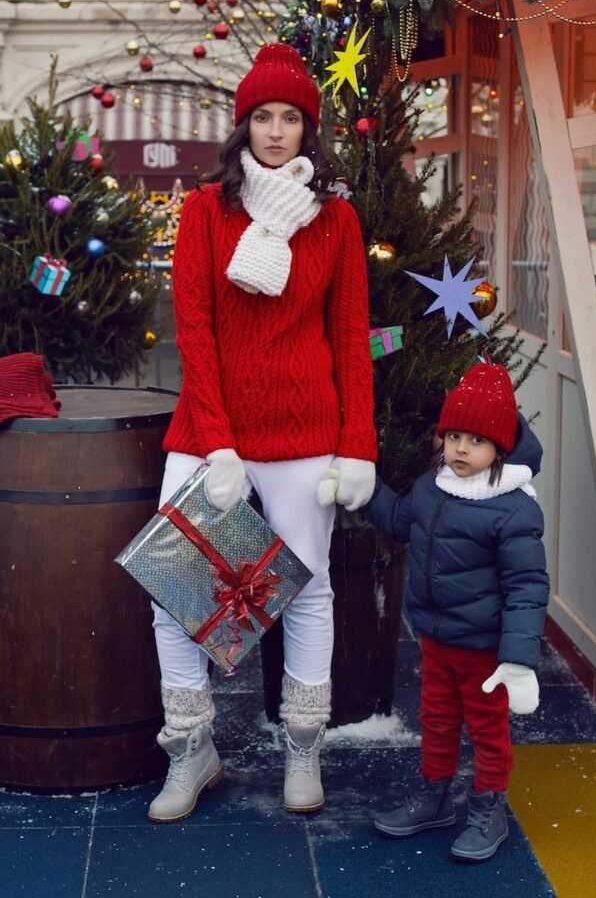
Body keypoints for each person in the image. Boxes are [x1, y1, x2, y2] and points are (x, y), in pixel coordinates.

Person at [148, 43, 377, 823]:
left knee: (306, 591)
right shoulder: (205, 211)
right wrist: (216, 443)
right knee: (178, 595)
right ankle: (191, 750)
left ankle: (302, 747)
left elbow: (350, 336)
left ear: (307, 131)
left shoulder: (336, 219)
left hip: (305, 432)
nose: (275, 131)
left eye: (290, 118)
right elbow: (195, 332)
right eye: (262, 117)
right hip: (208, 431)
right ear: (242, 125)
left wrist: (358, 446)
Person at [320, 361, 548, 862]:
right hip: (437, 640)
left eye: (476, 440)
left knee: (488, 730)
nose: (462, 448)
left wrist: (519, 659)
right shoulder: (432, 487)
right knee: (438, 720)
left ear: (500, 448)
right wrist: (365, 489)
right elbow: (399, 520)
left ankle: (489, 806)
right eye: (454, 436)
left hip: (486, 651)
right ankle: (435, 794)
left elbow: (527, 585)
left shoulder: (512, 508)